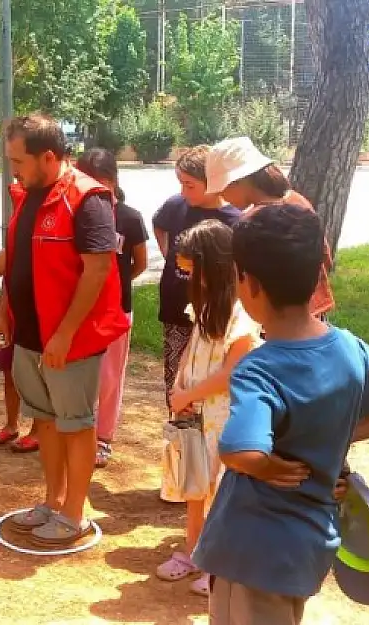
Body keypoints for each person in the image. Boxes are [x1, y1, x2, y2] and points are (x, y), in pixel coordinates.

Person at [193, 203, 369, 625]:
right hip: (306, 546)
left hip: (252, 552)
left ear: (249, 285)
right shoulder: (350, 349)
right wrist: (340, 432)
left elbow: (238, 448)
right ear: (318, 274)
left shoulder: (259, 369)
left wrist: (261, 466)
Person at [0, 113, 130, 545]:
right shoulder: (27, 193)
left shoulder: (87, 199)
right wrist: (2, 313)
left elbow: (98, 270)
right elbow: (19, 263)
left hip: (70, 341)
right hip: (30, 336)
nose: (13, 169)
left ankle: (75, 513)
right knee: (45, 422)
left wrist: (66, 333)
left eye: (18, 160)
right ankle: (53, 501)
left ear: (48, 156)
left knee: (75, 423)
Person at [153, 220, 261, 597]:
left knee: (217, 489)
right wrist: (179, 387)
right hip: (194, 417)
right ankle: (193, 551)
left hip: (221, 420)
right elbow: (190, 351)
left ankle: (218, 562)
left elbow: (233, 373)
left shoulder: (240, 317)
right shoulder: (205, 308)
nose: (186, 277)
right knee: (193, 485)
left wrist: (189, 395)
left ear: (212, 266)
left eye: (190, 269)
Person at [152, 146, 242, 503]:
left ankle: (210, 478)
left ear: (213, 182)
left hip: (216, 321)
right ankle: (184, 474)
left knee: (213, 398)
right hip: (178, 313)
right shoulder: (176, 207)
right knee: (179, 390)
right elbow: (158, 225)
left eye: (189, 184)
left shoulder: (234, 220)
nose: (182, 191)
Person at [204, 136, 334, 320]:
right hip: (309, 314)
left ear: (239, 181)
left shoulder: (253, 222)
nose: (223, 198)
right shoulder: (296, 200)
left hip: (275, 319)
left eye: (222, 190)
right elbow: (325, 258)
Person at [75, 148, 148, 468]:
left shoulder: (129, 217)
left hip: (117, 309)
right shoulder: (77, 214)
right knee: (81, 376)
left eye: (101, 182)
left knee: (110, 377)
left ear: (114, 181)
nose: (95, 189)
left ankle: (103, 437)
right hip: (81, 309)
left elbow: (140, 263)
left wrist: (112, 288)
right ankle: (79, 433)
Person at [0, 250, 37, 453]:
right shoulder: (9, 252)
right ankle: (11, 425)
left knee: (38, 376)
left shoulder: (47, 247)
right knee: (10, 372)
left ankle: (37, 430)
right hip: (10, 321)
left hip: (39, 320)